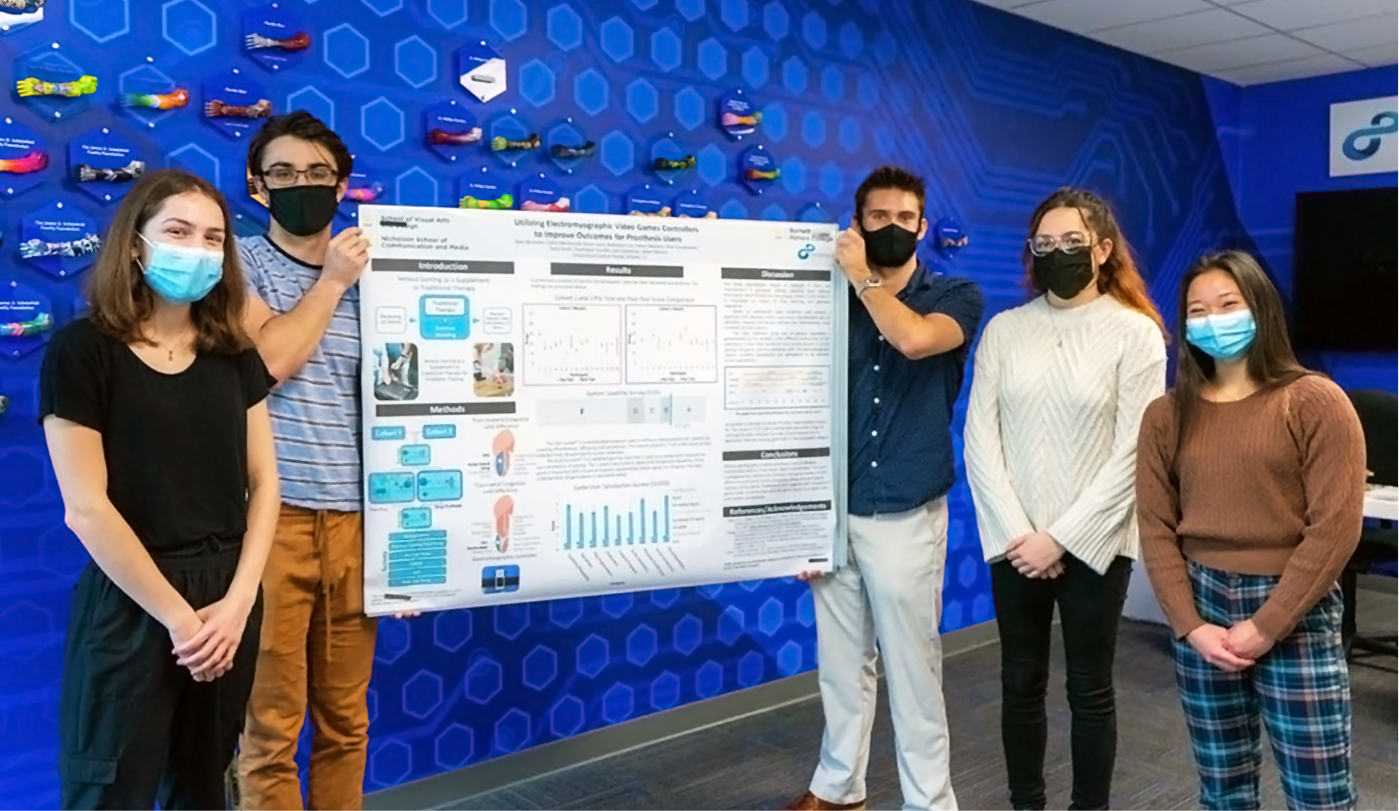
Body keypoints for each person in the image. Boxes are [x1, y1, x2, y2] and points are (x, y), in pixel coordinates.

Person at [39, 169, 278, 810]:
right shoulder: (82, 352)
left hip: (228, 598)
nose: (196, 249)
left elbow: (265, 484)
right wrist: (181, 621)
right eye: (177, 231)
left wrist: (236, 605)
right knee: (108, 787)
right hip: (134, 600)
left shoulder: (234, 355)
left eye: (212, 238)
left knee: (202, 785)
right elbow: (86, 509)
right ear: (136, 243)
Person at [776, 165, 984, 811]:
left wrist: (862, 279)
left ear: (921, 226)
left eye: (903, 218)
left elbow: (914, 339)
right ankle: (838, 789)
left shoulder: (954, 294)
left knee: (912, 668)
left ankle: (930, 802)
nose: (891, 227)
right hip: (834, 509)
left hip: (905, 511)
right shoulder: (824, 297)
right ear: (856, 222)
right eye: (877, 217)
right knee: (840, 664)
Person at [1137, 250, 1365, 811]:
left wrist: (1267, 626)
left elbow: (1335, 529)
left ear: (1260, 308)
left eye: (1228, 304)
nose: (1213, 320)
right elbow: (1156, 528)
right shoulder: (1166, 416)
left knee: (1319, 793)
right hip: (1202, 604)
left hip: (1294, 605)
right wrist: (1190, 627)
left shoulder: (1314, 401)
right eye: (1198, 309)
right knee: (1224, 789)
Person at [963, 188, 1168, 811]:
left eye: (1072, 243)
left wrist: (1062, 537)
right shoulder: (1005, 329)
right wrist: (1019, 534)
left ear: (1103, 250)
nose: (1057, 253)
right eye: (1044, 244)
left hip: (1097, 545)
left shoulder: (1136, 335)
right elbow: (979, 439)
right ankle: (1026, 802)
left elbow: (1134, 449)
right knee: (1019, 683)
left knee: (1090, 689)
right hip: (1015, 543)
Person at [235, 110, 382, 811]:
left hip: (359, 524)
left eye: (318, 175)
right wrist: (331, 283)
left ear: (342, 184)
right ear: (257, 187)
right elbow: (268, 361)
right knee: (267, 730)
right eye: (284, 174)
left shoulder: (382, 279)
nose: (302, 186)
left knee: (347, 723)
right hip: (272, 522)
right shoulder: (236, 261)